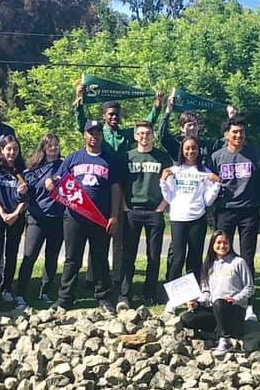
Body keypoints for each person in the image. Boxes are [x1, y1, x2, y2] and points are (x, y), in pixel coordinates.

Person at [73, 83, 163, 287]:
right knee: (96, 234)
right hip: (99, 186)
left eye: (116, 115)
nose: (114, 117)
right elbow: (82, 124)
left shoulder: (125, 135)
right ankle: (91, 276)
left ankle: (116, 276)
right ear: (105, 115)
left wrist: (157, 107)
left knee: (119, 237)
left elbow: (145, 128)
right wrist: (79, 102)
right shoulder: (98, 133)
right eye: (110, 114)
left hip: (120, 188)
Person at [50, 120, 121, 313]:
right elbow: (59, 180)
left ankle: (103, 297)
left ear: (102, 136)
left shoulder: (110, 160)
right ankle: (65, 298)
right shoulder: (73, 158)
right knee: (72, 258)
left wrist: (114, 216)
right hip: (74, 216)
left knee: (100, 258)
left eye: (98, 133)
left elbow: (116, 190)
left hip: (100, 217)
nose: (94, 136)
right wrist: (51, 182)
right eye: (91, 133)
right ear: (84, 135)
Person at [209, 116, 260, 322]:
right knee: (222, 256)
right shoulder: (216, 157)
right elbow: (210, 184)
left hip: (249, 212)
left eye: (242, 132)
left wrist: (257, 204)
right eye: (234, 132)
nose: (239, 136)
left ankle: (248, 304)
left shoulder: (255, 155)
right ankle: (219, 297)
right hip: (225, 211)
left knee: (247, 258)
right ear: (226, 134)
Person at [160, 136, 220, 314]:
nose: (190, 152)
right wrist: (163, 181)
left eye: (193, 148)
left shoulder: (205, 172)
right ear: (182, 150)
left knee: (194, 260)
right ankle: (172, 300)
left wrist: (215, 184)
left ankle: (192, 299)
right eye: (187, 148)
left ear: (198, 150)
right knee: (177, 259)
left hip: (197, 220)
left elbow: (208, 201)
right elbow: (169, 197)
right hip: (178, 219)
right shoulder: (173, 170)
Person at [120, 121, 173, 308]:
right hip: (132, 211)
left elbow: (172, 184)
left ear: (153, 135)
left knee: (153, 256)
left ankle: (149, 294)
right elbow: (119, 184)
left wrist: (162, 206)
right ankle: (125, 294)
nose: (144, 136)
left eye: (148, 133)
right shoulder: (127, 157)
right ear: (135, 136)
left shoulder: (162, 157)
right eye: (141, 133)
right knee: (128, 255)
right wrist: (124, 206)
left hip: (154, 212)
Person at [179, 231, 255, 358]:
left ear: (230, 244)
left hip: (233, 309)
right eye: (218, 243)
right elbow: (207, 292)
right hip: (214, 309)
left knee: (219, 303)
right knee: (186, 318)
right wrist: (197, 303)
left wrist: (235, 299)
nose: (222, 246)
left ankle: (224, 340)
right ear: (212, 245)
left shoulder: (238, 262)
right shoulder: (208, 264)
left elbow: (250, 288)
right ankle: (221, 333)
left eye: (225, 243)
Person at [15, 133, 64, 304]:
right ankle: (20, 292)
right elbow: (23, 196)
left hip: (58, 217)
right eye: (50, 145)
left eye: (56, 145)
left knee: (52, 257)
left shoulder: (64, 166)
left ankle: (45, 291)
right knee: (29, 256)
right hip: (36, 217)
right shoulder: (32, 169)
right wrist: (20, 193)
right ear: (43, 148)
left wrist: (56, 180)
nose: (53, 148)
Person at [0, 136, 28, 307]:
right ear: (2, 150)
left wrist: (16, 213)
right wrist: (2, 212)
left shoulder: (21, 169)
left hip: (16, 217)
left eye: (15, 149)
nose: (12, 152)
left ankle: (7, 288)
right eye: (8, 149)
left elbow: (26, 197)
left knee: (12, 253)